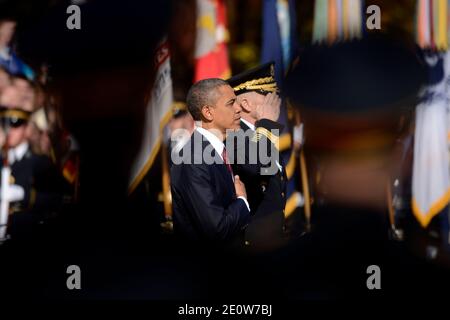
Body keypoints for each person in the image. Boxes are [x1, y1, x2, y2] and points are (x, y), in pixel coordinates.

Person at [170, 78, 251, 246]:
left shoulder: (219, 149)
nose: (238, 109)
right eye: (231, 103)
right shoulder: (193, 159)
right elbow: (217, 229)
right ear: (208, 112)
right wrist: (242, 201)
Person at [227, 62, 288, 251]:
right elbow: (258, 165)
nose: (274, 98)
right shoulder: (233, 134)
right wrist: (267, 125)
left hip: (271, 239)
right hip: (252, 243)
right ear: (245, 104)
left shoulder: (261, 132)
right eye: (266, 94)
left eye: (274, 92)